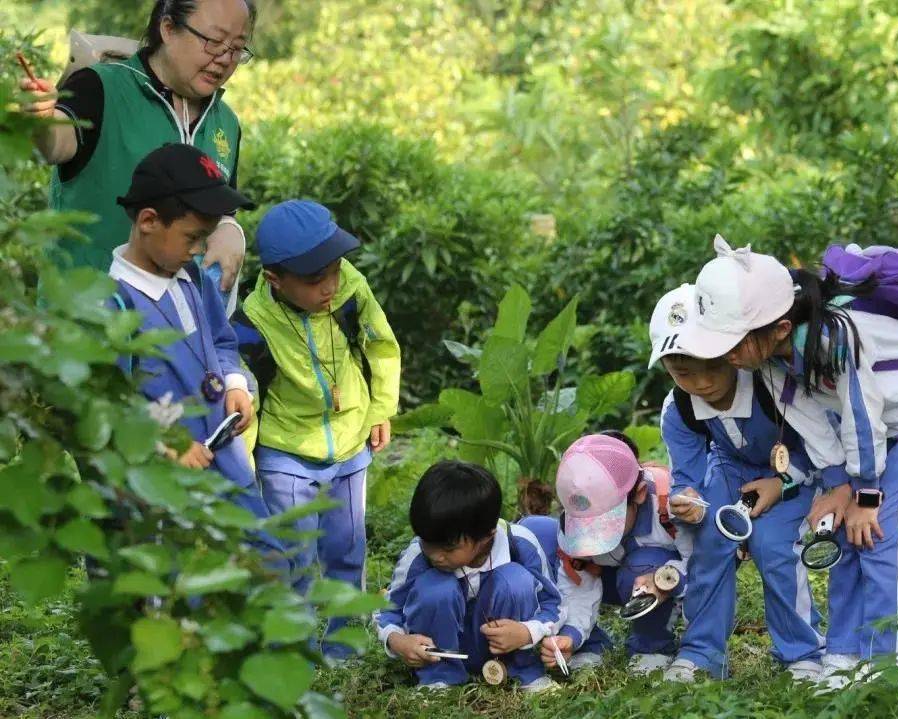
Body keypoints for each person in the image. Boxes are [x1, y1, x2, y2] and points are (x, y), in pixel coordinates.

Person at [674, 236, 898, 686]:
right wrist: (839, 485)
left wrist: (866, 494)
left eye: (732, 343)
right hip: (883, 425)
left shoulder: (832, 337)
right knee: (846, 530)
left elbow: (860, 415)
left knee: (883, 530)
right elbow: (814, 422)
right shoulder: (769, 361)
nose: (725, 356)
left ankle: (884, 664)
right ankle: (843, 653)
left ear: (776, 329)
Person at [232, 199, 400, 658]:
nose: (329, 286)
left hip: (349, 443)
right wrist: (244, 469)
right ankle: (296, 650)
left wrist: (380, 409)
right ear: (274, 280)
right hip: (286, 454)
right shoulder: (254, 323)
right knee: (294, 557)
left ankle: (345, 645)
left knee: (348, 551)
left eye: (333, 269)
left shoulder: (350, 287)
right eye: (313, 280)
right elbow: (248, 396)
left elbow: (380, 344)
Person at [650, 283, 841, 683]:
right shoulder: (679, 408)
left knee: (774, 547)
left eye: (712, 367)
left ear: (734, 354)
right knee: (710, 543)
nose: (701, 383)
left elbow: (818, 445)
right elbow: (687, 477)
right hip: (729, 471)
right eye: (684, 372)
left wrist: (782, 482)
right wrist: (687, 500)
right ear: (667, 368)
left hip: (797, 474)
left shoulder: (774, 384)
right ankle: (701, 652)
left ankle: (802, 652)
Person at [19, 0, 257, 311]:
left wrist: (230, 228)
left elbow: (220, 210)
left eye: (237, 49)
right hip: (86, 323)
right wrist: (40, 119)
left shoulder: (225, 121)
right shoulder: (101, 87)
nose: (224, 59)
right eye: (214, 42)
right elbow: (54, 144)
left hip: (174, 336)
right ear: (169, 28)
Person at [107, 142, 278, 537]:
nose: (202, 249)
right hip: (169, 478)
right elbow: (111, 400)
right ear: (149, 221)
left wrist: (234, 383)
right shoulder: (114, 305)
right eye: (193, 237)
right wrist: (166, 443)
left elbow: (221, 339)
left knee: (268, 558)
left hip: (227, 457)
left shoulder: (193, 278)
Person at [375, 461, 563, 692]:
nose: (435, 555)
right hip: (439, 651)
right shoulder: (418, 555)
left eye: (448, 548)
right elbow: (386, 610)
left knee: (515, 580)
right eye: (427, 542)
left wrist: (527, 632)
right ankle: (438, 678)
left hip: (505, 647)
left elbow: (555, 603)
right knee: (435, 588)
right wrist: (398, 641)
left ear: (486, 537)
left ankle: (522, 672)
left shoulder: (521, 544)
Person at [535, 433, 693, 676]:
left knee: (644, 564)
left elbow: (702, 563)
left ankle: (652, 645)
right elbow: (577, 586)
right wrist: (572, 635)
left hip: (653, 578)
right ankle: (592, 644)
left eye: (606, 523)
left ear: (639, 494)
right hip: (609, 576)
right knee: (538, 535)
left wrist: (666, 579)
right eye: (586, 527)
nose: (595, 537)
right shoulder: (571, 523)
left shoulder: (671, 502)